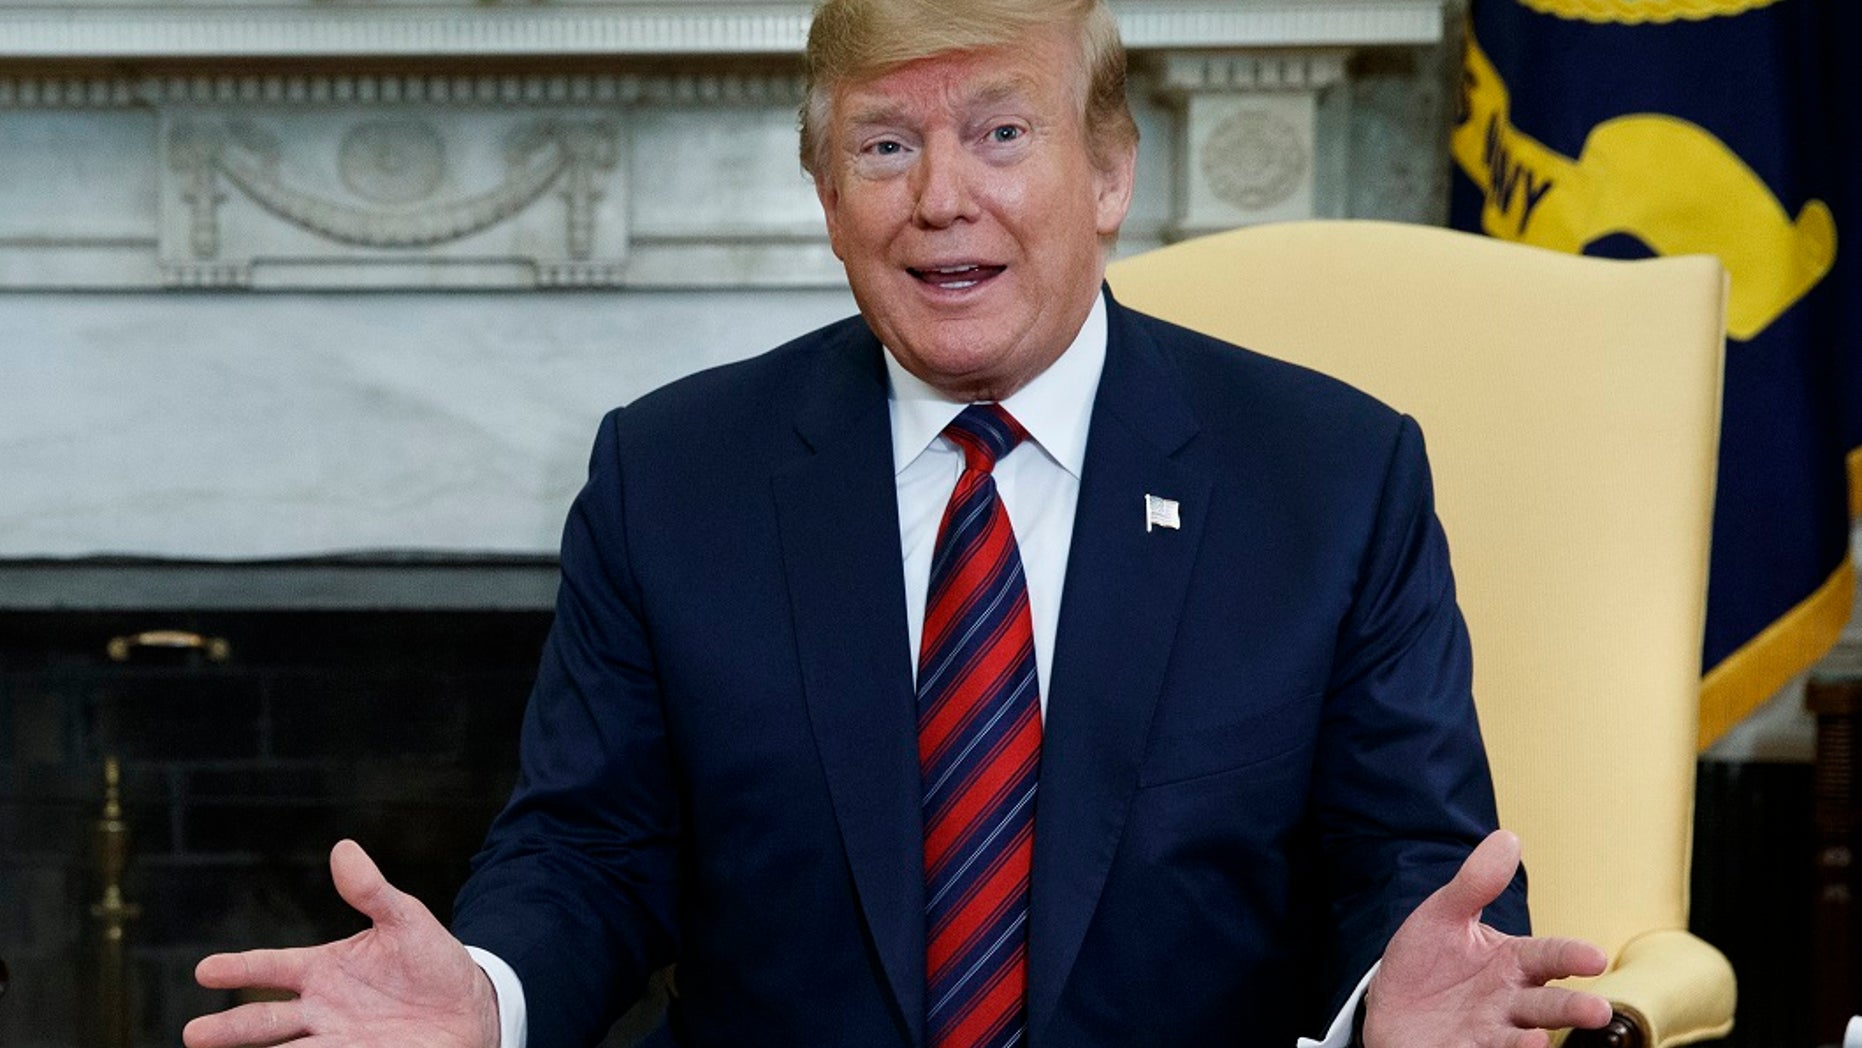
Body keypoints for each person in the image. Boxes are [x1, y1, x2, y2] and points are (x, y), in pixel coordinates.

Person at [183, 0, 1616, 1045]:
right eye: (882, 145)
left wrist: (1395, 1013)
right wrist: (489, 1002)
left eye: (1000, 132)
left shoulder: (1327, 476)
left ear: (1107, 173)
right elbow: (593, 850)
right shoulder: (669, 474)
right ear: (823, 194)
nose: (942, 199)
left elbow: (1406, 862)